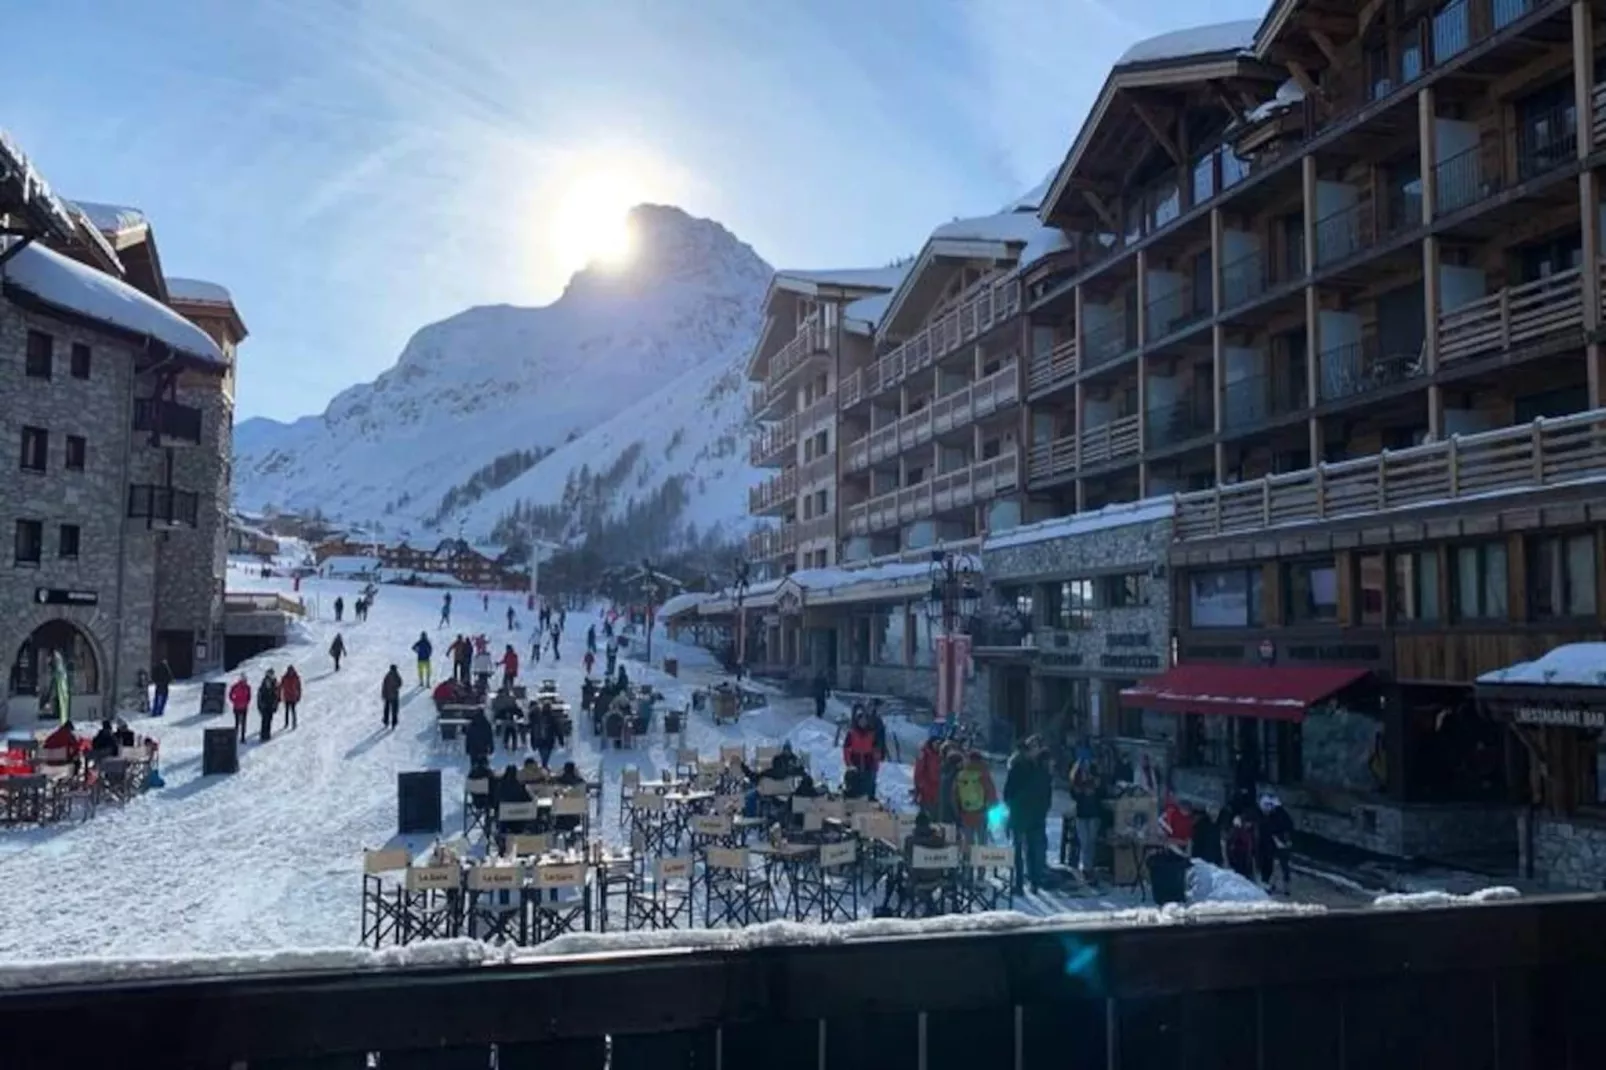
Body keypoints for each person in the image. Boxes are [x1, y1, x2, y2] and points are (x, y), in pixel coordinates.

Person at [1003, 737, 1051, 893]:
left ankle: (1031, 882)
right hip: (1023, 814)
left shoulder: (1039, 768)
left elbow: (1046, 793)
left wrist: (1043, 809)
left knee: (1032, 850)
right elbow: (1008, 792)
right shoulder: (1021, 767)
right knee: (1022, 851)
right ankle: (1022, 883)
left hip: (1032, 815)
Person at [952, 750, 997, 845]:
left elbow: (954, 794)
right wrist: (992, 804)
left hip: (965, 811)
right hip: (980, 811)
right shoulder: (983, 774)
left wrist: (957, 810)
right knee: (982, 838)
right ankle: (980, 857)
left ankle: (968, 857)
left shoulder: (961, 774)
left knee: (968, 839)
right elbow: (990, 791)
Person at [1070, 763, 1104, 880]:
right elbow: (1074, 795)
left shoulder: (1096, 782)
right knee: (1085, 842)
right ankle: (1086, 867)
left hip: (1094, 815)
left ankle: (1089, 867)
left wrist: (1097, 789)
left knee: (1091, 842)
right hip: (1082, 815)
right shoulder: (1077, 784)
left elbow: (1102, 795)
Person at [1257, 792, 1295, 893]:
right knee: (1283, 866)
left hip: (1278, 844)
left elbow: (1272, 829)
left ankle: (1273, 885)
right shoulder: (1283, 814)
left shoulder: (1275, 816)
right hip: (1284, 844)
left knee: (1277, 866)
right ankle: (1285, 887)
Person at [842, 710, 882, 801]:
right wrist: (848, 763)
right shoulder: (852, 733)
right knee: (853, 780)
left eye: (864, 720)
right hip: (855, 759)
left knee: (870, 780)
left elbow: (876, 750)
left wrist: (876, 763)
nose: (863, 722)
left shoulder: (872, 733)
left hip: (868, 760)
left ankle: (870, 798)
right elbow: (846, 749)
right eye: (861, 720)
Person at [913, 734, 943, 818]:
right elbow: (919, 772)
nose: (938, 745)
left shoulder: (941, 755)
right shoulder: (925, 754)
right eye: (936, 743)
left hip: (937, 793)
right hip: (926, 791)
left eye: (940, 743)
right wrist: (920, 787)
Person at [256, 669, 280, 743]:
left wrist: (276, 704)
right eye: (270, 674)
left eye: (272, 674)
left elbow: (276, 694)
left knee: (269, 720)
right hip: (265, 704)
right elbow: (260, 695)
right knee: (264, 720)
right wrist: (260, 705)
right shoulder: (264, 682)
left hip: (271, 704)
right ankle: (263, 735)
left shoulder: (275, 682)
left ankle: (267, 734)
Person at [228, 674, 251, 743]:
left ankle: (243, 737)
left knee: (244, 722)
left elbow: (249, 696)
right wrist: (234, 701)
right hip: (237, 707)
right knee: (237, 722)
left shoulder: (247, 687)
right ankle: (236, 736)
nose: (245, 681)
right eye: (244, 680)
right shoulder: (235, 686)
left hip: (244, 707)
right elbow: (230, 694)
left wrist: (247, 702)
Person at [280, 665, 303, 730]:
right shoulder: (285, 677)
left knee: (293, 710)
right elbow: (281, 686)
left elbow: (299, 687)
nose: (290, 672)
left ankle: (294, 723)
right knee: (286, 711)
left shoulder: (296, 677)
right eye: (289, 671)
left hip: (293, 697)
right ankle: (286, 723)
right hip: (287, 696)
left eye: (291, 671)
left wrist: (299, 696)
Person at [381, 664, 403, 729]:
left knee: (386, 709)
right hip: (394, 696)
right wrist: (396, 687)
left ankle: (386, 721)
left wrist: (383, 694)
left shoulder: (387, 676)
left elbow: (384, 686)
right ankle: (394, 723)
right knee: (394, 710)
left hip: (387, 696)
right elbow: (400, 683)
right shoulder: (397, 675)